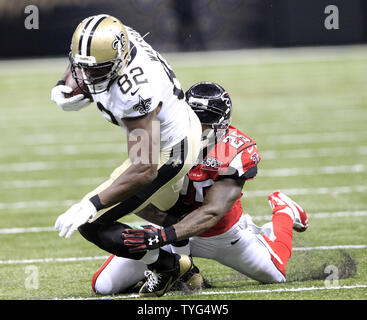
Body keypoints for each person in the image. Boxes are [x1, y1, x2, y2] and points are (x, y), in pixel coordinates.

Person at [90, 82, 309, 296]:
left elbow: (212, 212)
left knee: (275, 275)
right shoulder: (163, 138)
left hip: (222, 235)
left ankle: (285, 212)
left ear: (221, 124)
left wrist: (161, 237)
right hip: (170, 231)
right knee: (103, 286)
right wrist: (166, 226)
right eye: (192, 118)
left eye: (203, 122)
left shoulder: (233, 150)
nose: (196, 127)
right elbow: (131, 190)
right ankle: (179, 270)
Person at [51, 14, 202, 296]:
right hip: (175, 130)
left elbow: (144, 168)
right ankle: (188, 259)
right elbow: (84, 61)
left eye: (95, 72)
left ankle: (170, 266)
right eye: (81, 68)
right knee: (148, 207)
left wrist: (93, 204)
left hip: (170, 151)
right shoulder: (112, 39)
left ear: (118, 63)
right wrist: (66, 83)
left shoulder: (134, 91)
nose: (85, 77)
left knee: (92, 223)